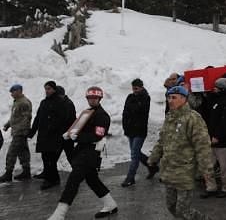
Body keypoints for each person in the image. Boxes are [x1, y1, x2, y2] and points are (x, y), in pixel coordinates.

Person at [47, 86, 118, 220]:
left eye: (95, 98)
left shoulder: (102, 116)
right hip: (82, 152)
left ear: (99, 99)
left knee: (73, 181)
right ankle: (110, 204)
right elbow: (78, 127)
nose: (92, 100)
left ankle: (59, 214)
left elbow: (97, 136)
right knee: (92, 180)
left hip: (91, 154)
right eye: (89, 98)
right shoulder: (88, 112)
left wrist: (77, 137)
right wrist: (69, 133)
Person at [147, 85, 213, 220]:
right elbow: (162, 140)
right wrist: (153, 157)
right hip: (169, 171)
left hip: (185, 171)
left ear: (184, 99)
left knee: (183, 210)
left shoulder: (193, 119)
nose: (170, 100)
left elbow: (202, 146)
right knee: (171, 206)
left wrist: (206, 170)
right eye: (168, 98)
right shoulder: (170, 117)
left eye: (174, 98)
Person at [28, 81, 70, 190]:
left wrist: (52, 128)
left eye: (49, 89)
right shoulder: (43, 102)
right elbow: (38, 118)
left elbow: (62, 119)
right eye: (46, 89)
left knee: (51, 158)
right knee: (45, 157)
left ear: (54, 89)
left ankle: (51, 180)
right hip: (43, 136)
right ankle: (52, 178)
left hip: (53, 136)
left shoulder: (59, 102)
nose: (47, 91)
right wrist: (32, 132)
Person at [203, 77, 226, 198]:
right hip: (212, 138)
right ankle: (211, 187)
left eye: (216, 87)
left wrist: (218, 136)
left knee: (224, 167)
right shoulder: (216, 99)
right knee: (208, 165)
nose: (214, 89)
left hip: (223, 141)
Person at [121, 78, 156, 187]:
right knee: (136, 153)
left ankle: (130, 178)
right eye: (133, 88)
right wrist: (125, 126)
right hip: (130, 129)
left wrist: (132, 108)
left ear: (141, 87)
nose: (134, 90)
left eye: (136, 88)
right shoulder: (130, 97)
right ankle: (152, 166)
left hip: (140, 130)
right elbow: (125, 112)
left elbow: (140, 110)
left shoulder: (146, 97)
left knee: (134, 155)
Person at [0, 83, 32, 183]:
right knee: (23, 152)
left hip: (20, 132)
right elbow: (16, 117)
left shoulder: (24, 103)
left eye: (13, 92)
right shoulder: (17, 102)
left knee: (11, 153)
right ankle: (26, 172)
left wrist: (21, 131)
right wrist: (8, 124)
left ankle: (8, 174)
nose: (11, 94)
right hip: (18, 131)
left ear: (19, 91)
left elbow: (27, 118)